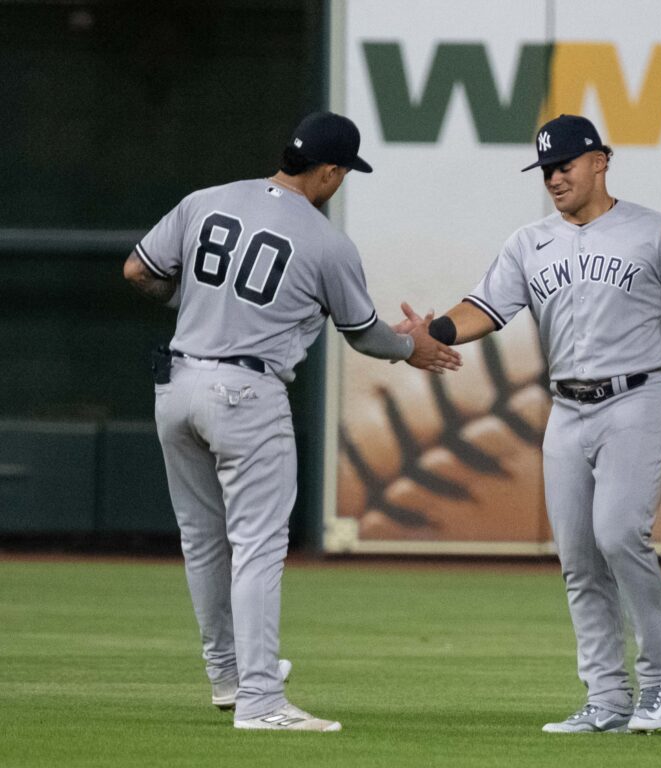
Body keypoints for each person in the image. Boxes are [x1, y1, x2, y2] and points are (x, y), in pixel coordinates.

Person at [123, 111, 461, 732]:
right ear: (330, 172)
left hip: (177, 384)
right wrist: (416, 344)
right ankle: (259, 700)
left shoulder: (207, 200)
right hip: (246, 393)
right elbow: (366, 337)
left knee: (202, 541)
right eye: (344, 173)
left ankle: (227, 677)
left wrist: (196, 301)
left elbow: (138, 270)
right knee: (256, 548)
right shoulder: (325, 240)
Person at [406, 113, 661, 733]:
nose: (554, 178)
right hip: (568, 409)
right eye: (546, 169)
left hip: (638, 398)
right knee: (578, 555)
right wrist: (433, 332)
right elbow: (485, 308)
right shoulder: (530, 242)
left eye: (565, 165)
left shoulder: (656, 234)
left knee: (617, 534)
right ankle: (606, 698)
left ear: (600, 161)